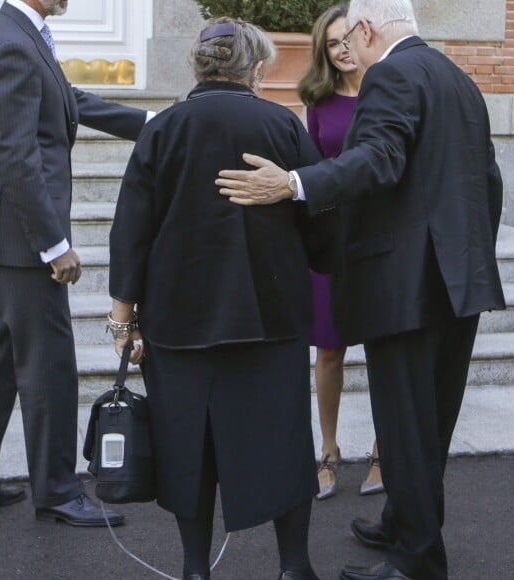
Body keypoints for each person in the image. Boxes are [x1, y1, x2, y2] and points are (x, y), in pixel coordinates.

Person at [215, 0, 505, 578]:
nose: (349, 49)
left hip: (405, 286)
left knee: (403, 426)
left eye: (352, 35)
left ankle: (416, 561)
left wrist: (293, 182)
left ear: (369, 29)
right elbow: (487, 179)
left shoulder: (392, 73)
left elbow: (379, 158)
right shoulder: (455, 77)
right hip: (457, 280)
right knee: (430, 424)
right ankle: (405, 523)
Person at [108, 17, 330, 580]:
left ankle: (193, 568)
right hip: (271, 315)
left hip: (178, 320)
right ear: (257, 67)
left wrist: (121, 322)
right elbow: (320, 229)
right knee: (281, 438)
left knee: (187, 448)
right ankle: (294, 566)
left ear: (197, 65)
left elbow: (131, 229)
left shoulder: (162, 130)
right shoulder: (281, 123)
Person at [0, 0, 153, 527]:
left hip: (4, 236)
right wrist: (53, 244)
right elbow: (16, 153)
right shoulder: (12, 43)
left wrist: (151, 123)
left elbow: (68, 100)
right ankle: (59, 492)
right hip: (20, 241)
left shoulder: (21, 32)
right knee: (49, 367)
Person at [297, 3, 383, 501]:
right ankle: (327, 453)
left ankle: (382, 452)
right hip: (332, 242)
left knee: (383, 351)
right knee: (329, 352)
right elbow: (310, 170)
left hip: (378, 238)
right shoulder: (318, 100)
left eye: (347, 38)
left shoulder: (388, 91)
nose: (342, 49)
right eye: (332, 43)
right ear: (323, 51)